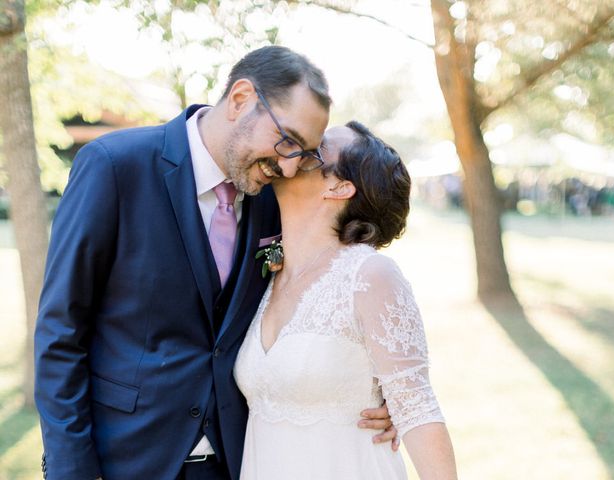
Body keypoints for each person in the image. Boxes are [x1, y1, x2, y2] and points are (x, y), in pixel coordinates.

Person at [34, 46, 396, 480]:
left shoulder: (273, 200)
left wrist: (381, 386)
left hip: (237, 461)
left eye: (304, 153)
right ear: (241, 98)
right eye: (287, 141)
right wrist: (71, 469)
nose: (288, 165)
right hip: (126, 460)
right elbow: (60, 333)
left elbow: (335, 285)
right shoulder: (115, 167)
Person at [234, 121, 458, 479]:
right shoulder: (269, 271)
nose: (295, 146)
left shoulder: (370, 275)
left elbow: (417, 410)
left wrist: (398, 407)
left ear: (339, 187)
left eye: (317, 147)